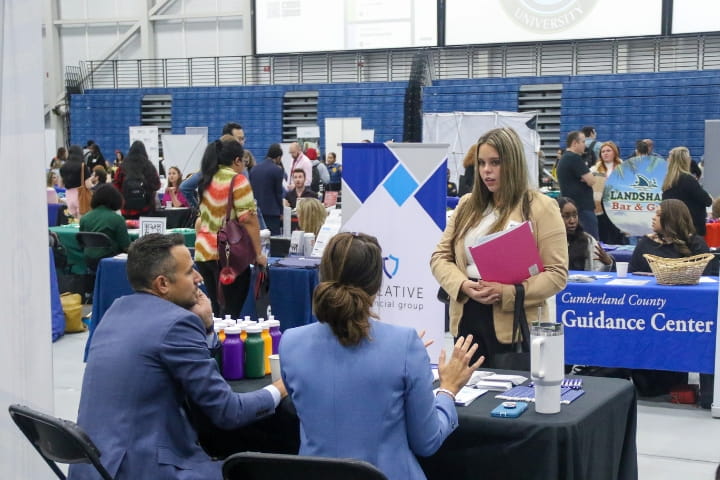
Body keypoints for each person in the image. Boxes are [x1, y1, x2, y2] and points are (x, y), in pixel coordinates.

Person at [68, 233, 285, 480]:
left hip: (93, 466)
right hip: (141, 469)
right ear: (163, 284)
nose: (199, 278)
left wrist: (206, 327)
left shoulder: (115, 311)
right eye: (190, 271)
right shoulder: (176, 323)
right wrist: (279, 389)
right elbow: (228, 411)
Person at [280, 232, 483, 480]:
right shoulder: (404, 345)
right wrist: (448, 390)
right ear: (377, 284)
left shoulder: (290, 343)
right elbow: (427, 442)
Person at [431, 127, 568, 366]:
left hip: (514, 325)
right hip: (466, 318)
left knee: (512, 398)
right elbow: (439, 257)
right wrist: (462, 285)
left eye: (495, 162)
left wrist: (506, 293)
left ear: (513, 163)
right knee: (467, 395)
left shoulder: (541, 207)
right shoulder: (466, 205)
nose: (486, 170)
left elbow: (556, 275)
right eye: (482, 162)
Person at [194, 138, 267, 318]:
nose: (244, 165)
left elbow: (199, 220)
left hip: (204, 254)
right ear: (236, 161)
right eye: (243, 161)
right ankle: (227, 346)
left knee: (216, 313)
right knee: (231, 315)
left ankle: (214, 345)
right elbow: (248, 219)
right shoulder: (238, 180)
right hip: (228, 256)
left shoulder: (206, 179)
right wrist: (258, 254)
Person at [629, 199, 718, 276]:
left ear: (671, 219)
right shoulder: (646, 242)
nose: (653, 218)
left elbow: (705, 277)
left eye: (658, 215)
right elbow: (631, 274)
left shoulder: (696, 243)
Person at [662, 146, 712, 236]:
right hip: (691, 228)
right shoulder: (688, 180)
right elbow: (707, 200)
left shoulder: (668, 181)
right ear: (685, 160)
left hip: (673, 227)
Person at [557, 130, 598, 239]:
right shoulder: (574, 158)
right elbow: (591, 181)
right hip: (582, 208)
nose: (585, 145)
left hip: (574, 207)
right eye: (583, 142)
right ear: (575, 143)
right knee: (591, 241)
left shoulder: (564, 158)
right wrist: (589, 177)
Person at [78, 184, 130, 267]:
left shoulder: (84, 218)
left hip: (88, 259)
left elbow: (82, 243)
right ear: (116, 199)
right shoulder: (117, 219)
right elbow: (126, 246)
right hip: (109, 259)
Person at [557, 197, 613, 271]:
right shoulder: (545, 241)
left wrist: (608, 263)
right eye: (566, 216)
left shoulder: (588, 240)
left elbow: (597, 274)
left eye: (574, 215)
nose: (572, 221)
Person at [113, 140, 161, 219]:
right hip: (146, 207)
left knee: (129, 230)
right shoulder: (149, 166)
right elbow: (157, 185)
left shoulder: (122, 166)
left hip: (126, 208)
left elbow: (115, 185)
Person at [591, 141, 626, 244]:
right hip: (600, 204)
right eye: (603, 151)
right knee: (604, 232)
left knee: (617, 232)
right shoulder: (594, 169)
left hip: (617, 203)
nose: (605, 153)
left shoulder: (624, 168)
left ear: (614, 152)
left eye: (608, 151)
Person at [250, 143, 285, 235]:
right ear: (278, 157)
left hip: (256, 211)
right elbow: (278, 193)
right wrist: (281, 211)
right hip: (272, 213)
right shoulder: (277, 170)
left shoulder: (254, 169)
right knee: (274, 241)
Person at [59, 145, 92, 219]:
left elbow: (60, 184)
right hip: (81, 195)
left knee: (73, 221)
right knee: (82, 222)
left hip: (68, 195)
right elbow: (88, 185)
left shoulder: (63, 167)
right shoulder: (83, 166)